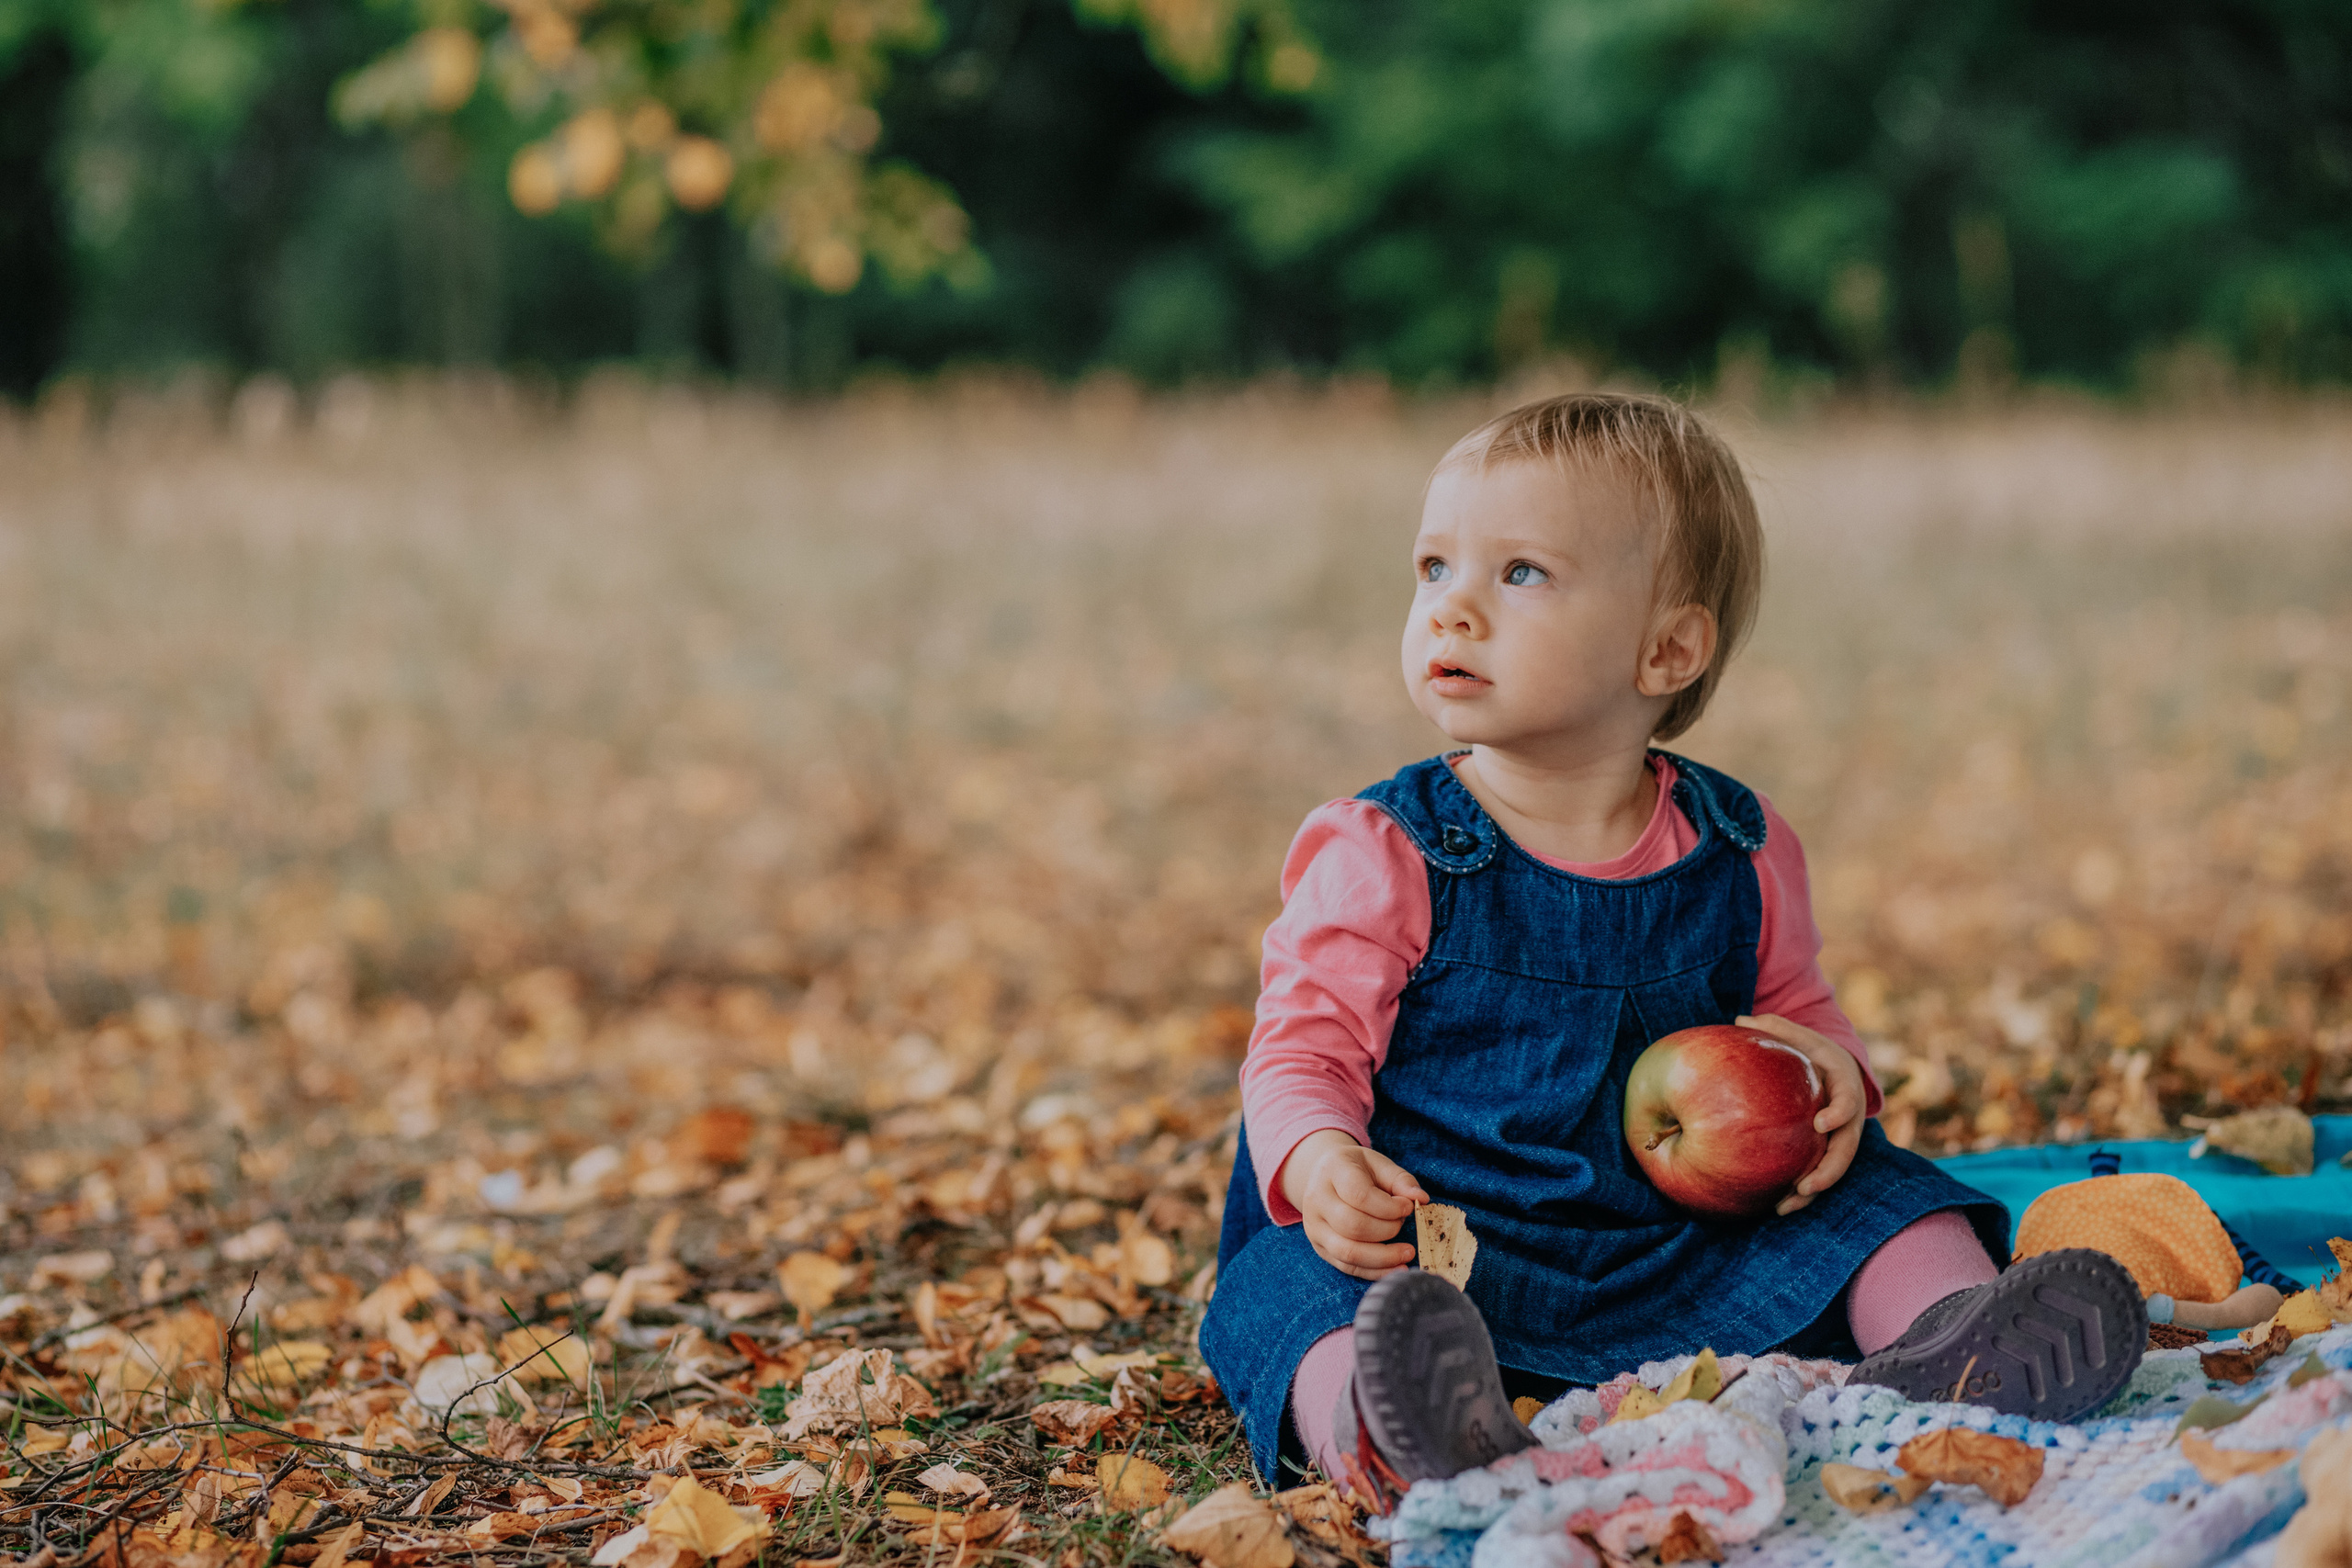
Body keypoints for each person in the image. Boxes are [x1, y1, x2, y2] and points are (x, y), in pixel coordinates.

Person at [1199, 393, 2146, 1504]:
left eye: (1520, 574)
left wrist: (1832, 1078)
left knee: (1891, 1195)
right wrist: (1317, 1162)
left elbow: (1794, 1008)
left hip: (1673, 1237)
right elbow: (1301, 1047)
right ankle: (1392, 1426)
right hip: (1440, 1249)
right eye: (1432, 569)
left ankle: (1957, 1344)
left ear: (1666, 649)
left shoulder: (1736, 846)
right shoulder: (1387, 849)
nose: (1451, 609)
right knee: (1284, 1286)